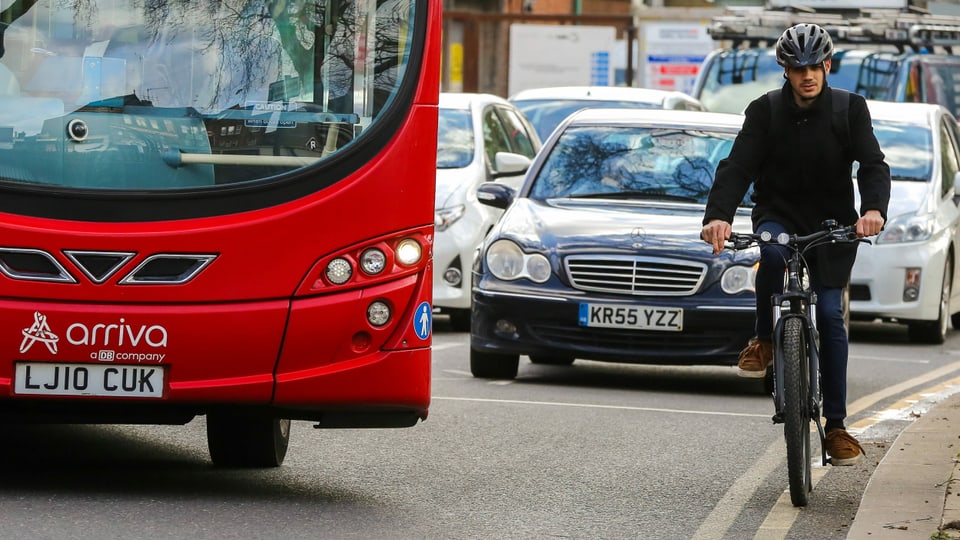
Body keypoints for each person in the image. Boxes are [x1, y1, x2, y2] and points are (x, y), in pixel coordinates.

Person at [700, 23, 891, 466]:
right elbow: (737, 167)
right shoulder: (764, 111)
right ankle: (765, 341)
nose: (808, 75)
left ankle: (838, 426)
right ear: (785, 70)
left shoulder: (850, 109)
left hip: (834, 225)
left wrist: (873, 210)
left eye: (815, 66)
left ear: (828, 65)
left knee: (828, 313)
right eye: (797, 67)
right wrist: (718, 217)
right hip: (779, 215)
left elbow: (872, 165)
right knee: (770, 253)